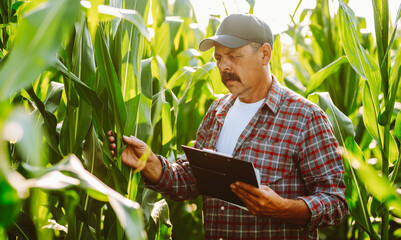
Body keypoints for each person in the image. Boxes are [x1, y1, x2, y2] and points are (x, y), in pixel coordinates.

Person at [108, 13, 348, 239]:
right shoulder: (217, 111)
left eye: (234, 56)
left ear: (265, 54)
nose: (224, 66)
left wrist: (282, 208)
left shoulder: (305, 117)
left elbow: (336, 204)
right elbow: (191, 180)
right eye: (219, 58)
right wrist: (150, 163)